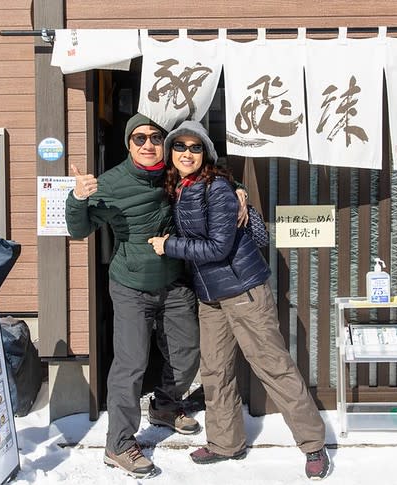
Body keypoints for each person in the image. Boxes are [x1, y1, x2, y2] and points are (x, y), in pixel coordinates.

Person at [65, 113, 246, 480]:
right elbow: (79, 229)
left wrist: (238, 187)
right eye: (139, 138)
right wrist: (76, 199)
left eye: (155, 138)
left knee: (188, 353)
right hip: (130, 285)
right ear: (128, 144)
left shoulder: (173, 174)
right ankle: (119, 444)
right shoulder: (111, 183)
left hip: (174, 280)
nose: (147, 144)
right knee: (130, 365)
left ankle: (164, 405)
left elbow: (208, 173)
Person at [148, 120, 331, 481]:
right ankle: (225, 442)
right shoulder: (180, 186)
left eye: (195, 147)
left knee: (273, 366)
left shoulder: (215, 187)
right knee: (216, 370)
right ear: (171, 153)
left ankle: (313, 444)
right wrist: (240, 187)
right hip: (210, 295)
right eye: (180, 147)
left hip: (243, 290)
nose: (187, 153)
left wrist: (168, 245)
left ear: (207, 154)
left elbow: (219, 246)